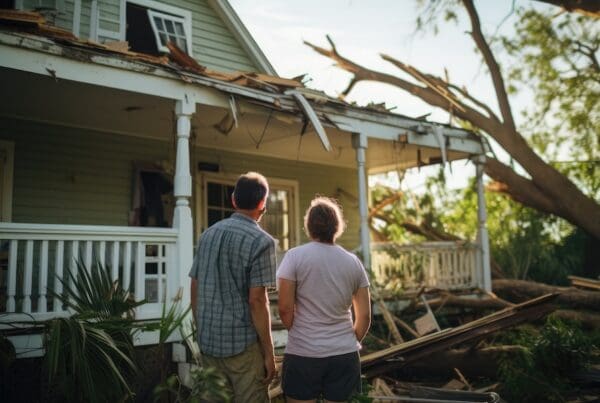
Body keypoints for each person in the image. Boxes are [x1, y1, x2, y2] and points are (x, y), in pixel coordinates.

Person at [189, 171, 277, 403]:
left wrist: (201, 329)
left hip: (209, 343)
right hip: (243, 348)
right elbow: (257, 301)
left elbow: (195, 287)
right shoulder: (262, 242)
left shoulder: (207, 235)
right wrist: (269, 353)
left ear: (234, 200)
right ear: (262, 204)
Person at [277, 197, 371, 403]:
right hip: (344, 354)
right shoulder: (353, 262)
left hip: (303, 354)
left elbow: (284, 308)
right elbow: (364, 315)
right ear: (337, 227)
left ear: (308, 226)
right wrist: (350, 340)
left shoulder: (294, 257)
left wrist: (299, 332)